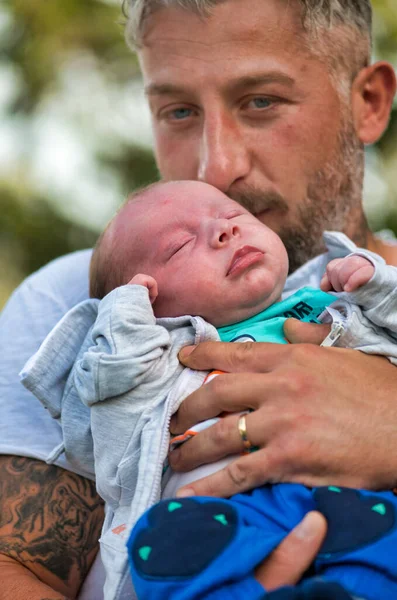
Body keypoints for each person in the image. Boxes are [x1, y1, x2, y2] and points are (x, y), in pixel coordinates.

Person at [0, 0, 396, 598]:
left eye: (261, 101)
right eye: (178, 110)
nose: (218, 166)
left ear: (368, 102)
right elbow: (18, 569)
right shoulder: (82, 306)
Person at [22, 179, 397, 600]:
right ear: (148, 304)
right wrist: (122, 322)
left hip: (346, 494)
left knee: (378, 540)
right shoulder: (163, 364)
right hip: (222, 514)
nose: (225, 231)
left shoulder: (330, 307)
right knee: (165, 541)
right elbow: (106, 413)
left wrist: (374, 285)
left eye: (235, 215)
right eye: (180, 247)